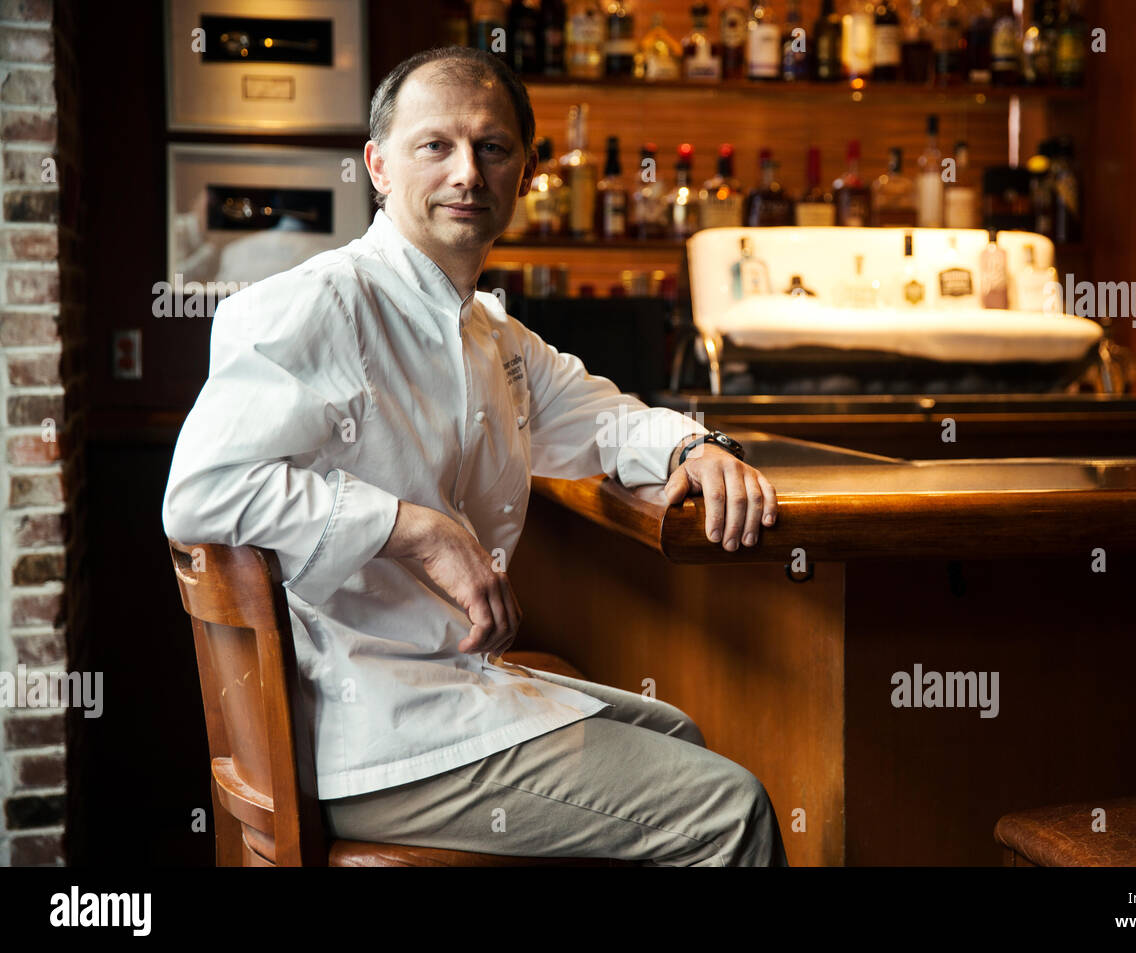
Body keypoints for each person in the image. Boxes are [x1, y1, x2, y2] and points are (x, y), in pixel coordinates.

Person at [162, 45, 787, 866]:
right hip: (363, 726)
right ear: (378, 167)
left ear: (524, 176)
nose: (467, 172)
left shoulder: (491, 334)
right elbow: (200, 492)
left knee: (678, 731)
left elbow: (604, 420)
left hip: (435, 691)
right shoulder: (323, 303)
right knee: (728, 811)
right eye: (436, 146)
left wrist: (695, 444)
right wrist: (411, 528)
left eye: (492, 149)